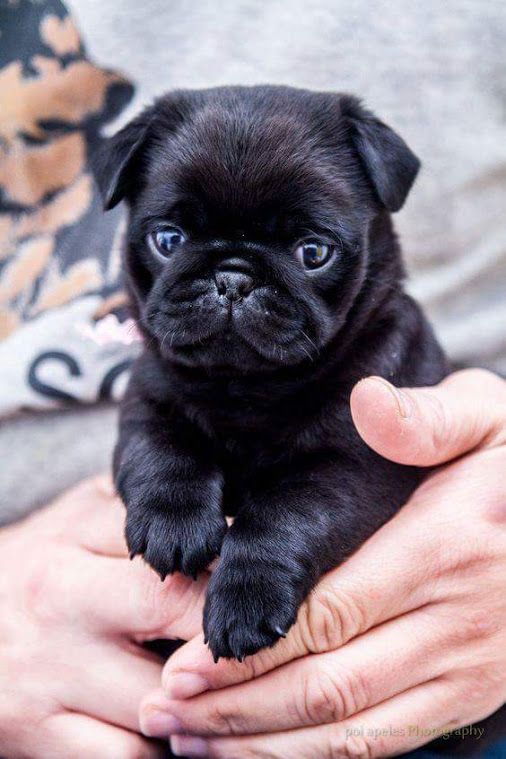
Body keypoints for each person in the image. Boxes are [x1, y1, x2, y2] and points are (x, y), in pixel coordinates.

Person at [1, 1, 505, 756]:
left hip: (421, 681)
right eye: (173, 241)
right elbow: (151, 429)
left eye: (308, 252)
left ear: (378, 218)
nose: (231, 285)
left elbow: (358, 472)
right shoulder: (164, 378)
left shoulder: (383, 358)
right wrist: (164, 484)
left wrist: (273, 551)